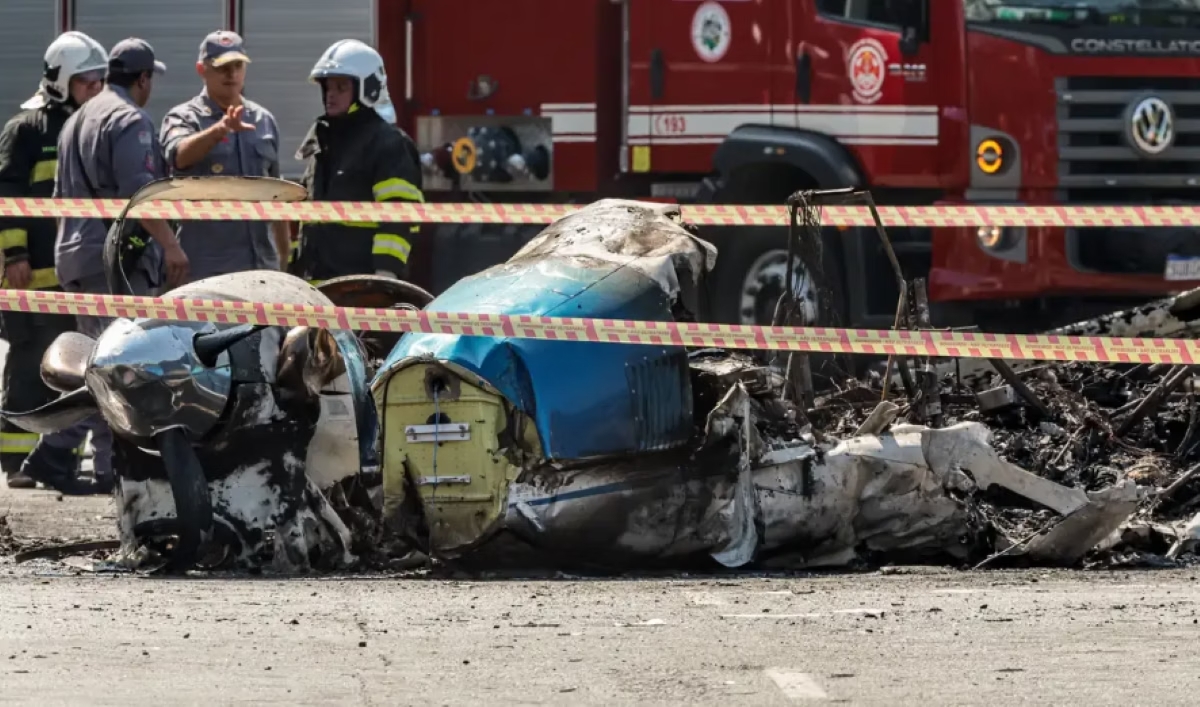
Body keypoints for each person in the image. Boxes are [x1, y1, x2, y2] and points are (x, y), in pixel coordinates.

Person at [53, 37, 190, 489]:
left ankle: (58, 454)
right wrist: (170, 245)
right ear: (144, 79)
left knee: (93, 364)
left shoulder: (76, 119)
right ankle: (110, 466)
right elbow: (139, 194)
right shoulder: (129, 119)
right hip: (115, 264)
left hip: (75, 255)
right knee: (125, 367)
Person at [0, 31, 109, 493]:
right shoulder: (26, 129)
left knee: (72, 367)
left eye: (100, 82)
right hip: (30, 277)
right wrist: (15, 255)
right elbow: (7, 193)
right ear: (62, 80)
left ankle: (59, 457)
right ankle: (16, 458)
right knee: (29, 363)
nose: (96, 90)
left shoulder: (88, 127)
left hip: (70, 280)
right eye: (87, 81)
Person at [291, 39, 424, 285]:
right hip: (316, 286)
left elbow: (400, 213)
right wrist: (294, 269)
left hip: (363, 287)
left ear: (368, 89)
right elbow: (306, 216)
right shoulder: (323, 142)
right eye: (328, 87)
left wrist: (386, 274)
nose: (330, 95)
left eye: (341, 87)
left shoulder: (388, 144)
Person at [160, 30, 290, 281]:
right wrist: (220, 129)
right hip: (207, 272)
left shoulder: (263, 120)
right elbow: (178, 156)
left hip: (261, 267)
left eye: (237, 65)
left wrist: (283, 261)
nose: (231, 74)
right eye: (221, 67)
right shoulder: (184, 117)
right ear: (201, 69)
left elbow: (278, 196)